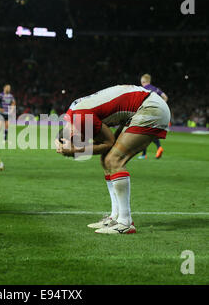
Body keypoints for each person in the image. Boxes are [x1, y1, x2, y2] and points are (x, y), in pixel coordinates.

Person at [55, 85, 171, 234]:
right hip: (143, 104)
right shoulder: (74, 117)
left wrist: (74, 151)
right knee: (105, 159)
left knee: (113, 160)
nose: (84, 142)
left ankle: (125, 222)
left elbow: (107, 142)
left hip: (149, 107)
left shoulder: (81, 119)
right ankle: (116, 217)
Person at [138, 74, 168, 159]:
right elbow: (165, 97)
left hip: (147, 112)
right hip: (157, 113)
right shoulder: (155, 89)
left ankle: (144, 154)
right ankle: (158, 148)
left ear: (143, 81)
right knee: (150, 133)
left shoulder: (143, 89)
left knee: (143, 133)